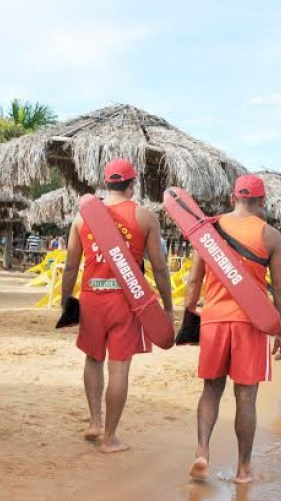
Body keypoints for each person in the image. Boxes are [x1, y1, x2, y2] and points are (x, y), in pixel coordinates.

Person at [61, 158, 173, 454]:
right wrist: (168, 305)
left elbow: (70, 266)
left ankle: (95, 422)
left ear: (105, 183)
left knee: (93, 359)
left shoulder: (82, 218)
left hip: (92, 298)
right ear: (133, 184)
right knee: (119, 367)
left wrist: (65, 301)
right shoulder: (144, 217)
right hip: (128, 300)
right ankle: (110, 438)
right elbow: (159, 267)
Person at [184, 174, 281, 484]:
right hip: (252, 323)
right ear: (261, 202)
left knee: (210, 390)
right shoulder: (270, 236)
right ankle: (243, 470)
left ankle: (202, 451)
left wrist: (191, 315)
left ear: (234, 198)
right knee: (246, 398)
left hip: (215, 320)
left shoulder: (209, 231)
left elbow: (194, 280)